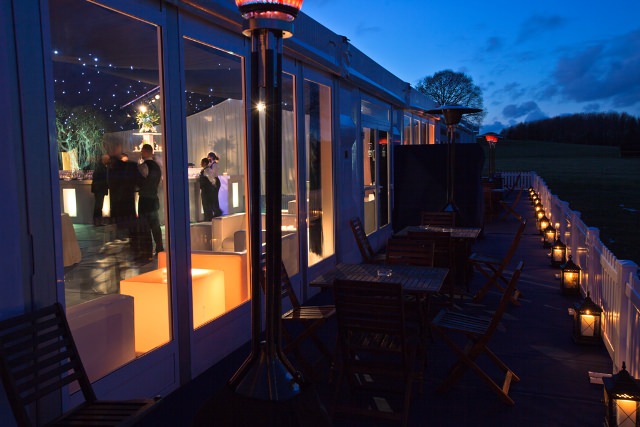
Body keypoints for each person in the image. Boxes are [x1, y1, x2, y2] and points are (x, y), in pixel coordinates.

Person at [137, 144, 164, 260]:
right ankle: (159, 248)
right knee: (155, 225)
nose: (141, 154)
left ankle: (147, 251)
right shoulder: (158, 167)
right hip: (154, 198)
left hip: (145, 199)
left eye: (142, 152)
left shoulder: (143, 167)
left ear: (146, 152)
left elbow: (140, 182)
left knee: (145, 226)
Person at [108, 152, 138, 241]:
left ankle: (121, 234)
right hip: (126, 198)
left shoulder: (113, 171)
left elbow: (111, 184)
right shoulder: (131, 167)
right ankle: (127, 234)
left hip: (118, 199)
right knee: (127, 217)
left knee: (121, 218)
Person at [90, 154, 110, 226]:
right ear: (104, 160)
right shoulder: (101, 168)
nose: (109, 161)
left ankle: (97, 221)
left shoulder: (100, 167)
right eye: (108, 159)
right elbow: (102, 179)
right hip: (99, 189)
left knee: (98, 206)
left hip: (98, 189)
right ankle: (97, 222)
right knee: (98, 206)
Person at [207, 151, 222, 217]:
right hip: (213, 181)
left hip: (215, 181)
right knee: (213, 197)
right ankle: (216, 211)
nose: (208, 158)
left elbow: (213, 173)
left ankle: (217, 211)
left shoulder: (214, 164)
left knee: (215, 197)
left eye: (209, 157)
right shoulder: (211, 164)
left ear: (211, 157)